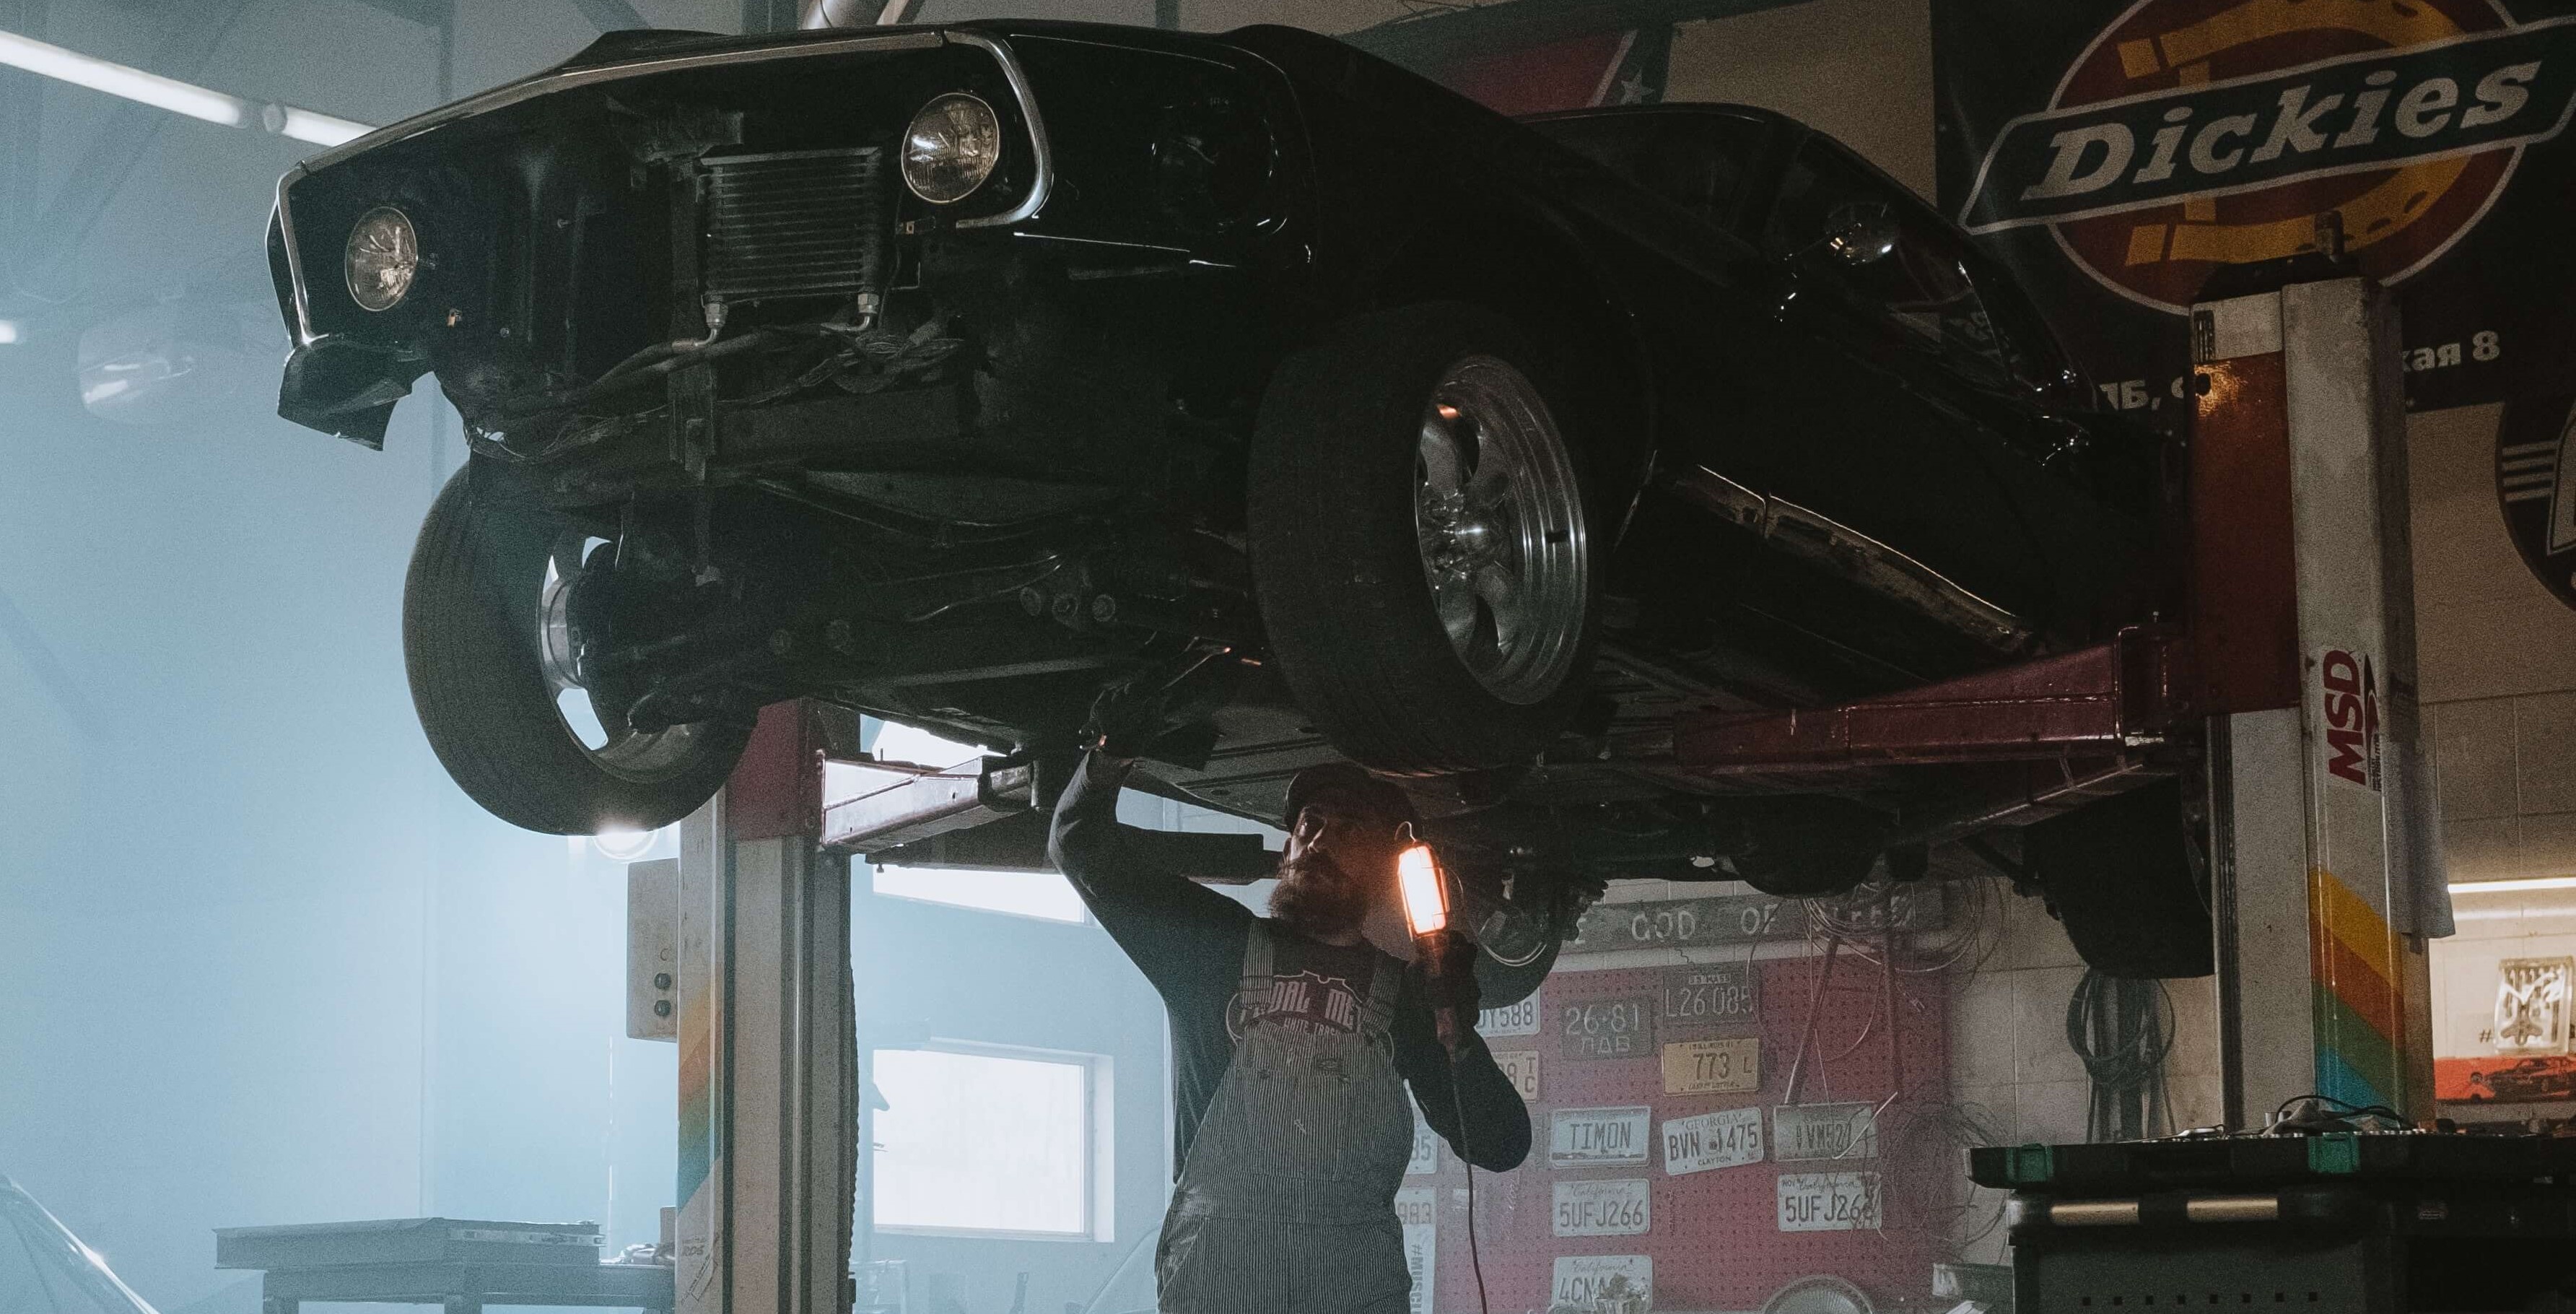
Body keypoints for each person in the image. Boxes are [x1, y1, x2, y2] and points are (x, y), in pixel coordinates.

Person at [1049, 712, 1531, 1314]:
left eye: (1348, 831)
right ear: (1288, 849)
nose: (1321, 842)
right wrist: (1108, 754)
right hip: (1223, 1279)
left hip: (1351, 1284)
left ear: (1384, 868)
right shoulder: (1207, 947)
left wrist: (1459, 1040)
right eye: (1310, 826)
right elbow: (1079, 847)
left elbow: (1500, 1143)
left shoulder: (1411, 998)